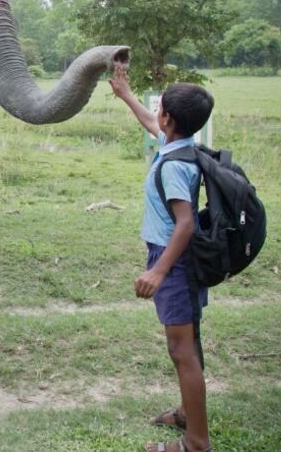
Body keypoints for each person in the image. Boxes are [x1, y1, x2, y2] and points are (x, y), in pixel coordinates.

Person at [109, 64, 214, 452]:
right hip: (178, 260)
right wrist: (125, 94)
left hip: (175, 261)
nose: (156, 116)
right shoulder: (180, 146)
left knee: (181, 351)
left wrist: (158, 271)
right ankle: (187, 414)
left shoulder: (173, 166)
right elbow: (152, 125)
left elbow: (184, 223)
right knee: (188, 344)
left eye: (160, 110)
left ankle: (196, 443)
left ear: (168, 117)